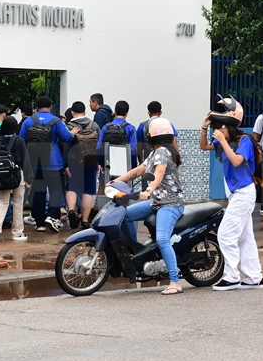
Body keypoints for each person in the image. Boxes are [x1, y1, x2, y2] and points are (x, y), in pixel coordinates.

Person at [113, 118, 185, 295]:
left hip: (170, 204)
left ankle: (175, 281)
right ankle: (137, 252)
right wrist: (116, 181)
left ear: (149, 136)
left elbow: (159, 173)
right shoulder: (157, 152)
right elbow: (139, 170)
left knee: (162, 239)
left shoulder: (162, 152)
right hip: (157, 202)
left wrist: (149, 189)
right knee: (124, 215)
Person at [199, 99, 263, 291]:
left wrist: (222, 141)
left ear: (229, 127)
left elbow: (236, 161)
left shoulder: (245, 141)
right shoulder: (224, 142)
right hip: (237, 195)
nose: (217, 131)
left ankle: (232, 276)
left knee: (226, 235)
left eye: (220, 127)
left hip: (244, 193)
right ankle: (254, 277)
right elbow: (203, 146)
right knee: (245, 238)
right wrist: (204, 127)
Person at [21, 96, 79, 232]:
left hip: (35, 162)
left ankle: (39, 223)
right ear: (51, 107)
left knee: (38, 191)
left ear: (36, 107)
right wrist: (73, 132)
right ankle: (52, 217)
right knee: (56, 189)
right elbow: (67, 138)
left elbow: (21, 139)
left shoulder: (29, 121)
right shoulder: (56, 121)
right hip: (53, 162)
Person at [0, 117, 32, 242]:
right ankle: (17, 233)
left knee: (2, 202)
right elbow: (25, 160)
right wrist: (29, 178)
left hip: (1, 175)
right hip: (16, 174)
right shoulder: (19, 140)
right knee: (18, 203)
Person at [65, 101, 99, 230]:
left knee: (72, 188)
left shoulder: (68, 126)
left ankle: (72, 210)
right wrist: (99, 162)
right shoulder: (93, 125)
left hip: (74, 161)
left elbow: (66, 146)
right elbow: (99, 144)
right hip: (91, 161)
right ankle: (85, 220)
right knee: (88, 190)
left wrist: (65, 164)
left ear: (72, 112)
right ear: (85, 112)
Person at [97, 100, 138, 174]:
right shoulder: (131, 128)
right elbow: (133, 149)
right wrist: (133, 166)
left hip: (108, 164)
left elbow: (99, 147)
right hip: (125, 166)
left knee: (109, 184)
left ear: (115, 112)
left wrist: (101, 163)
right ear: (127, 113)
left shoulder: (105, 127)